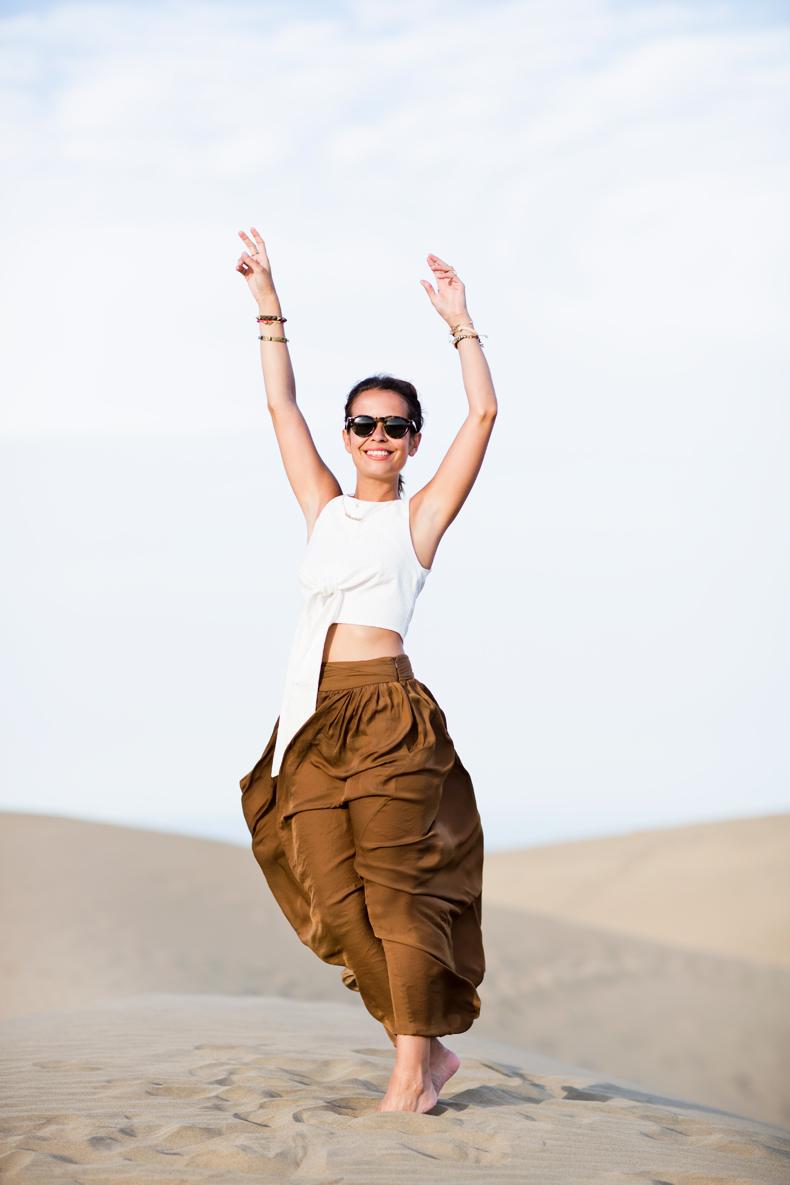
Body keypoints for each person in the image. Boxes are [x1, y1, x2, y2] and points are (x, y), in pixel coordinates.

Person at [235, 227, 498, 1114]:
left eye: (394, 425)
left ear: (412, 440)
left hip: (387, 716)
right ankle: (423, 1057)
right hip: (313, 715)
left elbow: (486, 418)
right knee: (336, 901)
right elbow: (281, 410)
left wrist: (462, 324)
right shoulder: (325, 506)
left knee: (395, 897)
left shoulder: (418, 519)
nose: (377, 435)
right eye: (364, 423)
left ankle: (410, 1074)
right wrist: (269, 303)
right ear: (349, 434)